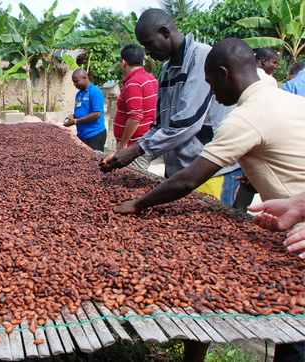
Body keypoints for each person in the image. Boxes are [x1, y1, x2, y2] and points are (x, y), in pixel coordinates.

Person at [112, 37, 305, 362]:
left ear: (224, 73)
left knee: (297, 341)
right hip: (294, 213)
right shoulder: (289, 100)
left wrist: (137, 204)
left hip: (299, 234)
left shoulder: (244, 118)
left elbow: (189, 178)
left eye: (211, 83)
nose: (211, 93)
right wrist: (258, 172)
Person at [100, 9, 243, 207]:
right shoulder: (167, 69)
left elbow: (187, 122)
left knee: (208, 230)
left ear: (165, 32)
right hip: (178, 170)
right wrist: (130, 150)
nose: (147, 53)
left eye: (149, 44)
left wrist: (135, 151)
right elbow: (160, 124)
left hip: (209, 171)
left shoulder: (201, 57)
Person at [113, 44, 158, 170]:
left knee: (128, 182)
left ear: (124, 62)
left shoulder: (134, 83)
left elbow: (135, 117)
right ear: (142, 62)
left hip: (134, 146)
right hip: (144, 141)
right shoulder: (151, 79)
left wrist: (123, 143)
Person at [64, 68, 106, 151]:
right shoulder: (79, 94)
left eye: (76, 81)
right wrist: (72, 116)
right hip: (82, 135)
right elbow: (81, 110)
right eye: (73, 82)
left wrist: (76, 121)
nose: (74, 84)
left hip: (95, 134)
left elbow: (97, 114)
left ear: (85, 79)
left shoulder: (95, 92)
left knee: (94, 160)